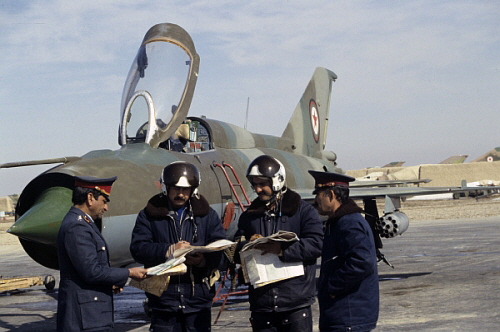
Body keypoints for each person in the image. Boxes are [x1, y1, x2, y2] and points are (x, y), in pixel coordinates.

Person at [130, 161, 226, 332]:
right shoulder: (149, 215)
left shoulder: (207, 216)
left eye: (185, 190)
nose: (180, 194)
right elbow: (138, 249)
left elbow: (221, 252)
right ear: (166, 187)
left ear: (193, 189)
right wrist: (169, 250)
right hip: (164, 302)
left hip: (197, 302)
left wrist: (202, 261)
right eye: (176, 189)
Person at [235, 155, 323, 332]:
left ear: (276, 182)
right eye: (255, 184)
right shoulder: (249, 216)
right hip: (262, 305)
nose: (258, 189)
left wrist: (282, 250)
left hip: (295, 305)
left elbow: (316, 244)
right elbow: (235, 247)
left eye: (262, 184)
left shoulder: (302, 211)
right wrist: (245, 245)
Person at [57, 175, 148, 332]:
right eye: (104, 201)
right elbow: (91, 271)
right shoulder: (77, 227)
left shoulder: (82, 223)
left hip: (90, 313)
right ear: (90, 198)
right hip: (85, 316)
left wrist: (110, 281)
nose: (105, 208)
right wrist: (129, 272)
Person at [308, 170, 379, 332]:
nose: (315, 200)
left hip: (349, 315)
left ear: (331, 195)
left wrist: (332, 287)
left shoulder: (349, 223)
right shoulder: (340, 221)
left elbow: (362, 261)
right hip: (344, 314)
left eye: (318, 195)